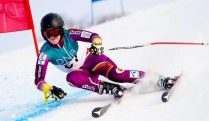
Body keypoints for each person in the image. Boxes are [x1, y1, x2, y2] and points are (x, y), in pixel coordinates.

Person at [34, 13, 176, 101]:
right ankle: (113, 89)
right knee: (71, 79)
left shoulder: (70, 34)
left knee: (118, 75)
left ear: (61, 30)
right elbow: (39, 81)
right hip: (82, 73)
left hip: (93, 60)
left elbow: (94, 37)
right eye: (47, 34)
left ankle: (160, 79)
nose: (52, 37)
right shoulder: (45, 53)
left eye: (55, 32)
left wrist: (96, 44)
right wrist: (50, 90)